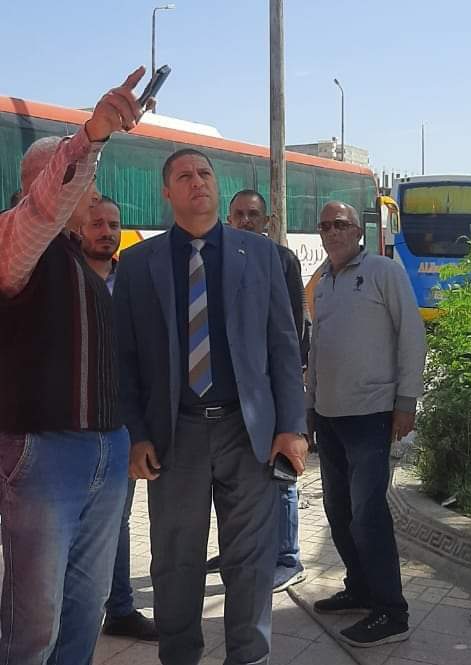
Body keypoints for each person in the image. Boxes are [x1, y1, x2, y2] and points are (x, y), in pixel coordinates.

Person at [113, 148, 307, 665]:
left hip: (249, 434)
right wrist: (136, 435)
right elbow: (123, 360)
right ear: (167, 192)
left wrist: (292, 426)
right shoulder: (139, 264)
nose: (197, 181)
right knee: (175, 563)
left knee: (250, 563)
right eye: (184, 176)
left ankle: (249, 657)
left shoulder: (260, 255)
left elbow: (284, 346)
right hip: (175, 435)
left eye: (204, 173)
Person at [0, 67, 146, 665]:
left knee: (85, 610)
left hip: (104, 453)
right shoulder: (15, 238)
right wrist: (90, 137)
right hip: (44, 456)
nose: (91, 194)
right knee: (34, 623)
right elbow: (43, 210)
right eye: (82, 182)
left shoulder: (82, 259)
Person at [306, 201, 426, 648]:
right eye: (325, 225)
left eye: (341, 224)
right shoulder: (324, 282)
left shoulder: (383, 272)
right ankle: (360, 588)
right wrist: (310, 407)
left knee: (369, 516)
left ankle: (392, 612)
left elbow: (412, 334)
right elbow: (317, 348)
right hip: (330, 418)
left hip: (371, 416)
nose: (332, 232)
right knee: (338, 512)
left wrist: (406, 401)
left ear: (358, 231)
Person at [206, 189, 306, 592]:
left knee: (280, 471)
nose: (245, 220)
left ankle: (287, 556)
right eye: (239, 214)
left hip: (270, 390)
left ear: (267, 222)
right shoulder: (220, 261)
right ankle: (235, 549)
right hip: (234, 399)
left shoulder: (281, 259)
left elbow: (291, 331)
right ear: (228, 219)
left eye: (253, 214)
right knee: (234, 484)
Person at [79, 196, 158, 641]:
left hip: (120, 423)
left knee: (116, 520)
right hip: (67, 424)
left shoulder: (132, 281)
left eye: (113, 224)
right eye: (97, 224)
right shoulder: (63, 276)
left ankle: (120, 609)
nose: (106, 232)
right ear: (79, 228)